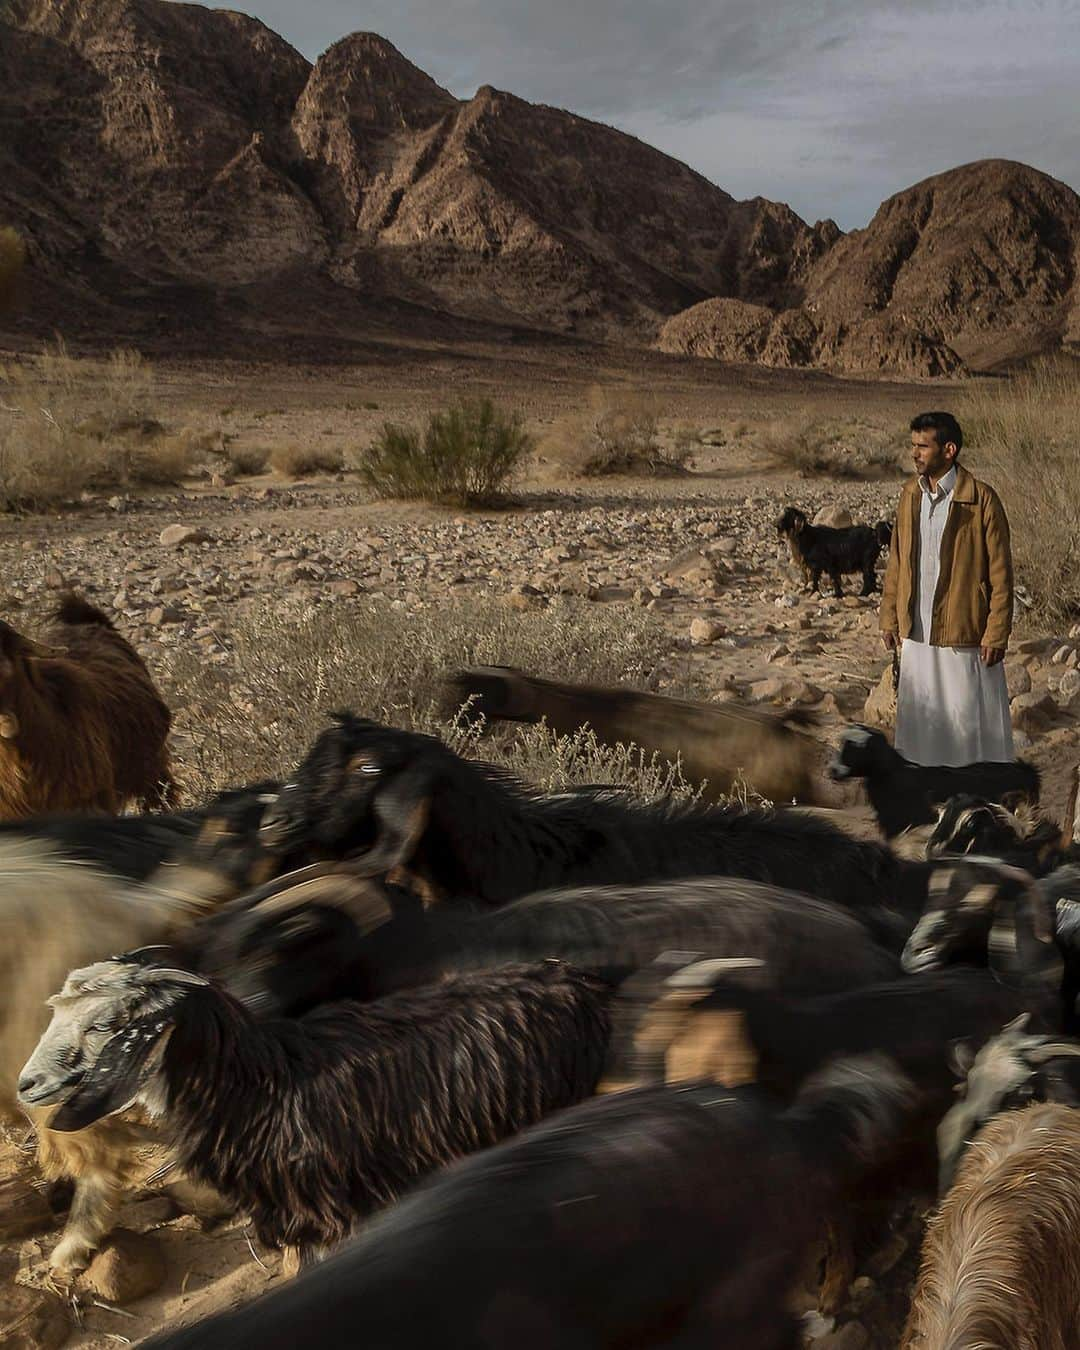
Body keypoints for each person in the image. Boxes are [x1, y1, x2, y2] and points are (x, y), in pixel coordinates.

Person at [879, 411, 1014, 767]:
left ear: (949, 449)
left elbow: (1001, 574)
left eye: (923, 446)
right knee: (922, 726)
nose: (915, 454)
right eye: (913, 446)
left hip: (965, 637)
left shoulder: (982, 500)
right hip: (917, 634)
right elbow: (897, 561)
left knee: (968, 728)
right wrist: (889, 617)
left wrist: (996, 632)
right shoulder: (910, 495)